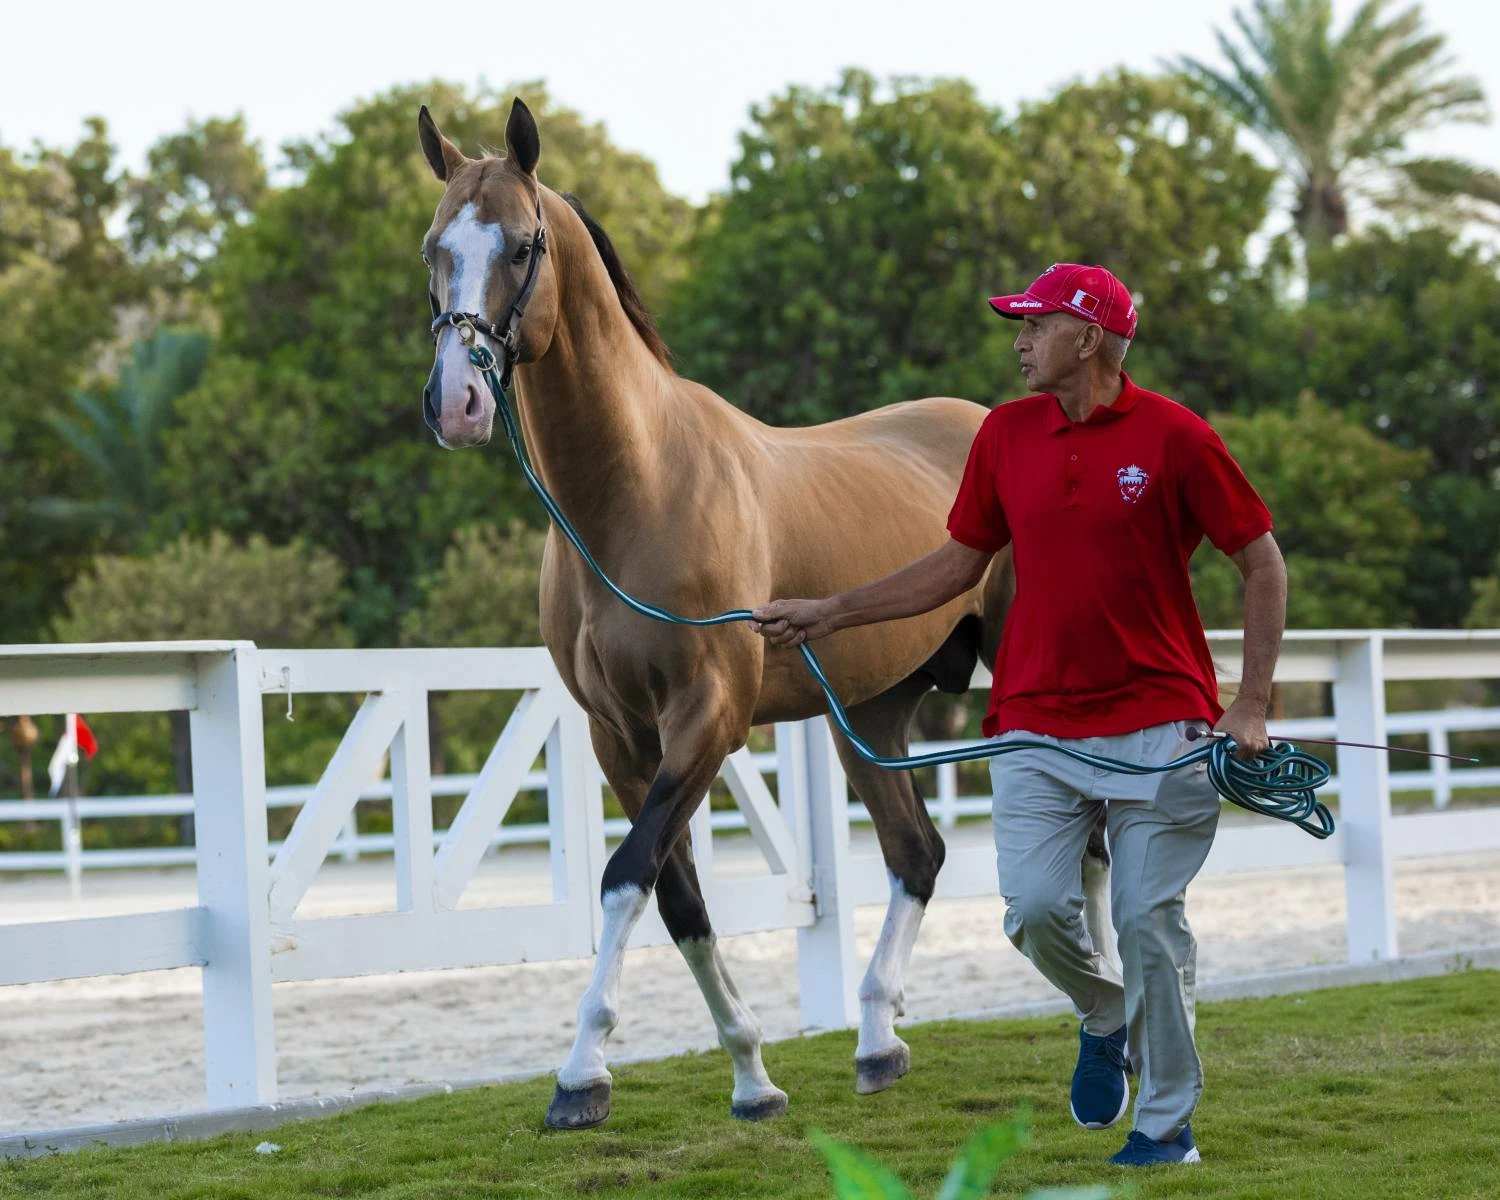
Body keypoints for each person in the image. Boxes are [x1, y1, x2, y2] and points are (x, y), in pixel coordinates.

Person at [750, 263, 1287, 1167]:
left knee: (1149, 923)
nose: (1019, 341)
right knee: (1035, 911)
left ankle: (1164, 1128)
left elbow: (1261, 563)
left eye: (1034, 325)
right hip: (1035, 722)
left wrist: (1252, 702)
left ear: (1089, 337)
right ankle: (1103, 1011)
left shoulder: (1177, 439)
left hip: (1161, 722)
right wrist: (830, 610)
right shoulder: (1003, 436)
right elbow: (956, 565)